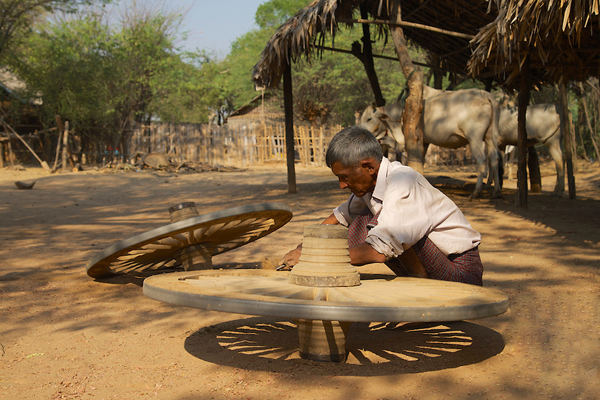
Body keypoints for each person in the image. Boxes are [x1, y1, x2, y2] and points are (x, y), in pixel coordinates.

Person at [279, 125, 484, 286]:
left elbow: (378, 251)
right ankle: (417, 284)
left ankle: (420, 289)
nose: (342, 185)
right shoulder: (373, 184)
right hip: (433, 264)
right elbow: (340, 217)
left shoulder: (403, 181)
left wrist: (316, 259)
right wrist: (303, 247)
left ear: (368, 166)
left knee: (381, 222)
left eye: (344, 177)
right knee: (364, 217)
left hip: (460, 274)